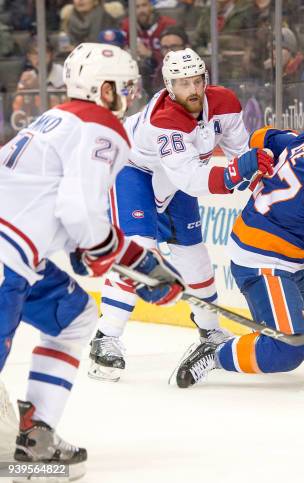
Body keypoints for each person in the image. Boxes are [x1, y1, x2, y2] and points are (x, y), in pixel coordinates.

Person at [0, 43, 183, 476]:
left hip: (17, 256)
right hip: (7, 258)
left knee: (76, 316)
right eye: (125, 87)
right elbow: (80, 213)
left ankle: (36, 433)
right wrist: (140, 263)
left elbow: (48, 204)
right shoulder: (100, 126)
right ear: (104, 90)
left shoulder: (53, 119)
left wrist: (90, 252)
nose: (130, 95)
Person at [90, 47, 274, 382]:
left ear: (206, 79)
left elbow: (240, 152)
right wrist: (236, 174)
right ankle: (106, 338)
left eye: (196, 81)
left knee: (194, 255)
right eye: (182, 83)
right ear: (169, 86)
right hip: (135, 171)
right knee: (139, 248)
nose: (191, 89)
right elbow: (192, 179)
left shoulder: (225, 103)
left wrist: (262, 185)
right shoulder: (164, 120)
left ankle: (209, 334)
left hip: (177, 177)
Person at [174, 104, 304, 388]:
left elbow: (262, 137)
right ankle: (214, 353)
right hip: (262, 258)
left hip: (285, 248)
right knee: (289, 347)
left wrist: (257, 160)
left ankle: (270, 322)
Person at [120, 0, 177, 95]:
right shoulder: (126, 26)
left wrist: (150, 54)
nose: (141, 10)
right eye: (137, 7)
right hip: (136, 72)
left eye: (144, 5)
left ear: (151, 6)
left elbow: (175, 56)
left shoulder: (167, 24)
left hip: (162, 74)